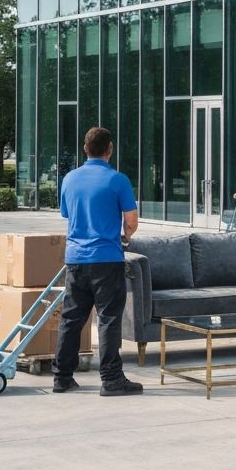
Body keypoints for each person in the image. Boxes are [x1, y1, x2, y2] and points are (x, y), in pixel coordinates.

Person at [52, 126, 142, 396]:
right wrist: (126, 235)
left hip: (76, 259)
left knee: (71, 319)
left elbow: (67, 214)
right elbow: (131, 219)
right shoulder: (117, 180)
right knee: (109, 319)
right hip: (107, 259)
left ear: (85, 149)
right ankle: (112, 379)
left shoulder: (69, 179)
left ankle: (62, 377)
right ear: (110, 149)